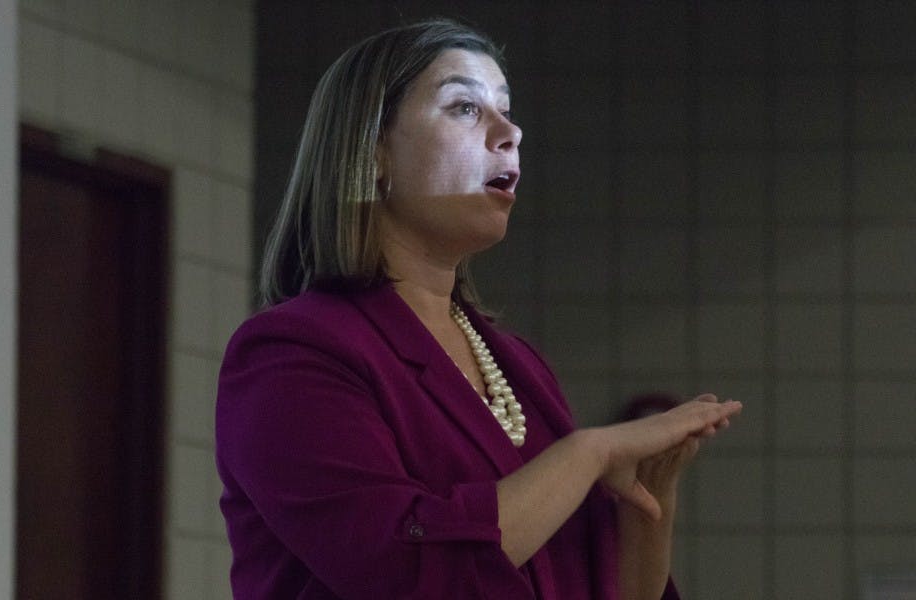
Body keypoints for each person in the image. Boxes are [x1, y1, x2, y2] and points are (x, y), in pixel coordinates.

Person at [216, 18, 742, 599]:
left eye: (507, 109)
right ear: (373, 152)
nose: (509, 131)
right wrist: (593, 450)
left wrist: (651, 494)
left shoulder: (518, 364)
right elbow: (399, 567)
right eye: (465, 108)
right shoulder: (291, 351)